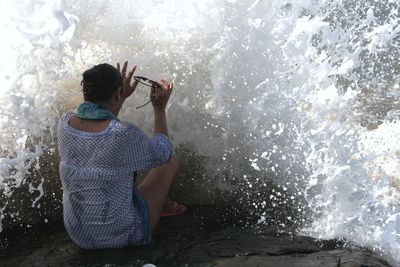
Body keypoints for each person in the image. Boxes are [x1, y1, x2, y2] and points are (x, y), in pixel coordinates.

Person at [57, 61, 186, 249]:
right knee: (169, 164)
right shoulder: (122, 133)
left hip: (79, 236)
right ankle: (160, 207)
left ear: (86, 92)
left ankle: (159, 204)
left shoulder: (65, 124)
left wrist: (119, 97)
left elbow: (101, 126)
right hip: (122, 236)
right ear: (117, 93)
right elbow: (163, 153)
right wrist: (159, 110)